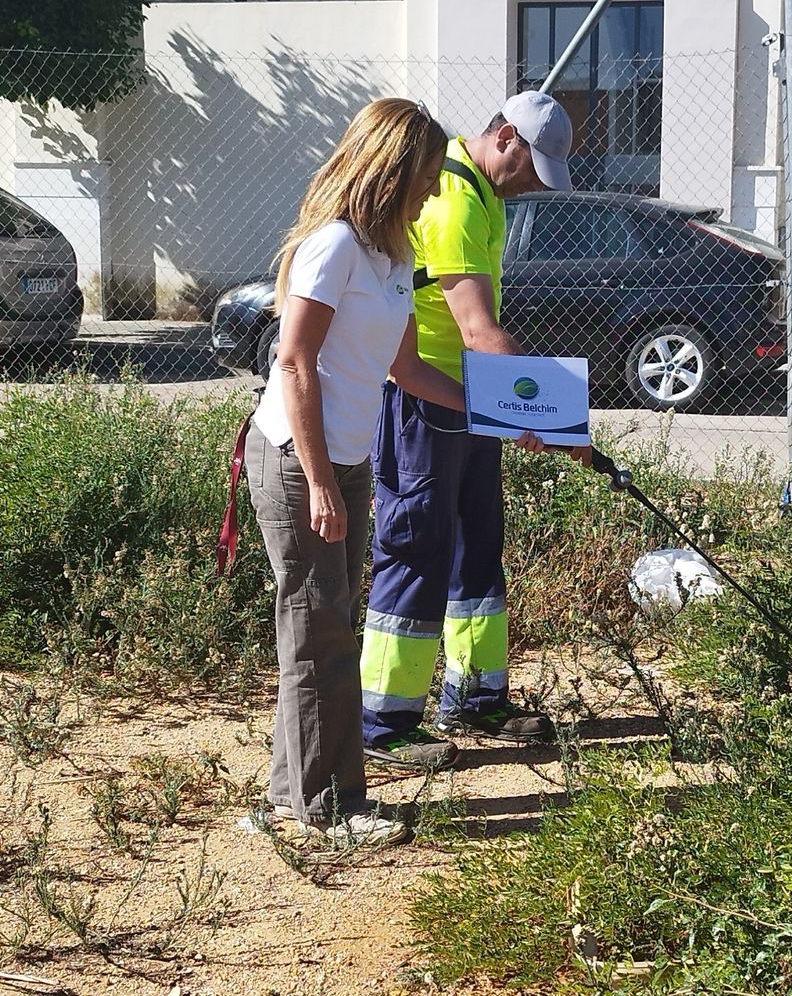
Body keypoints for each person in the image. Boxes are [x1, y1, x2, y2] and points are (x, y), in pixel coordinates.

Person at [246, 97, 464, 846]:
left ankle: (292, 793)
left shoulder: (395, 253)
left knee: (326, 624)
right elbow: (295, 361)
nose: (435, 191)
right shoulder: (334, 245)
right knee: (320, 631)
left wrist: (493, 409)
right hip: (296, 459)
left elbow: (403, 366)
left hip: (346, 459)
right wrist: (320, 482)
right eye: (429, 175)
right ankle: (326, 809)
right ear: (394, 169)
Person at [360, 91, 576, 770]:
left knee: (478, 549)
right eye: (532, 167)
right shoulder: (452, 200)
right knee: (416, 551)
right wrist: (555, 417)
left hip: (468, 401)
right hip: (425, 401)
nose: (536, 184)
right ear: (505, 136)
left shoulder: (485, 195)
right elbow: (480, 331)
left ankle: (476, 697)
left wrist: (519, 412)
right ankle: (383, 720)